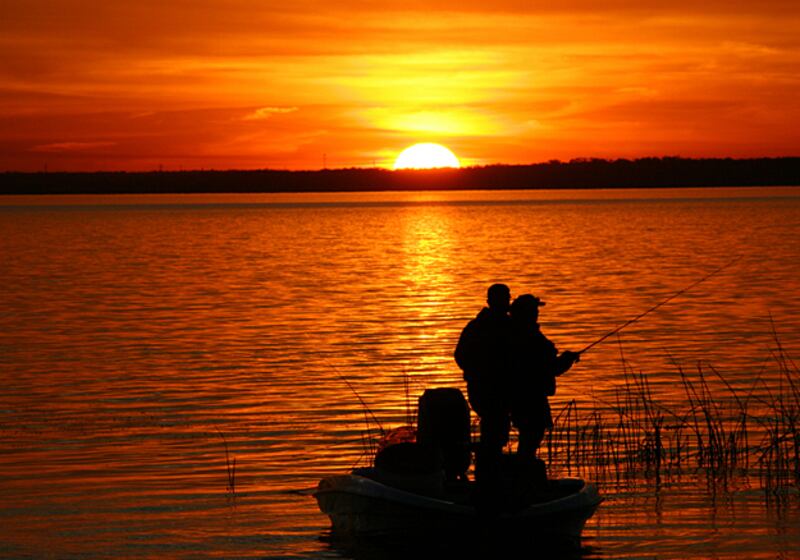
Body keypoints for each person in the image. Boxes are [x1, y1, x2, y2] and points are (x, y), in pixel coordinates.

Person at [454, 284, 514, 496]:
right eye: (504, 298)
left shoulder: (479, 326)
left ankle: (488, 476)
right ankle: (489, 480)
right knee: (494, 435)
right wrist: (480, 372)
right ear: (492, 301)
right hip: (488, 391)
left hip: (484, 391)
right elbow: (461, 356)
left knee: (494, 434)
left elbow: (460, 356)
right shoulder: (492, 327)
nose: (506, 302)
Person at [508, 294, 579, 460]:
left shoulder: (516, 333)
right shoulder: (529, 337)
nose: (537, 313)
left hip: (521, 395)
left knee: (530, 436)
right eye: (534, 310)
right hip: (531, 396)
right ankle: (524, 473)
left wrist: (565, 359)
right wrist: (567, 359)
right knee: (532, 435)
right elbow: (549, 367)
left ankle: (524, 470)